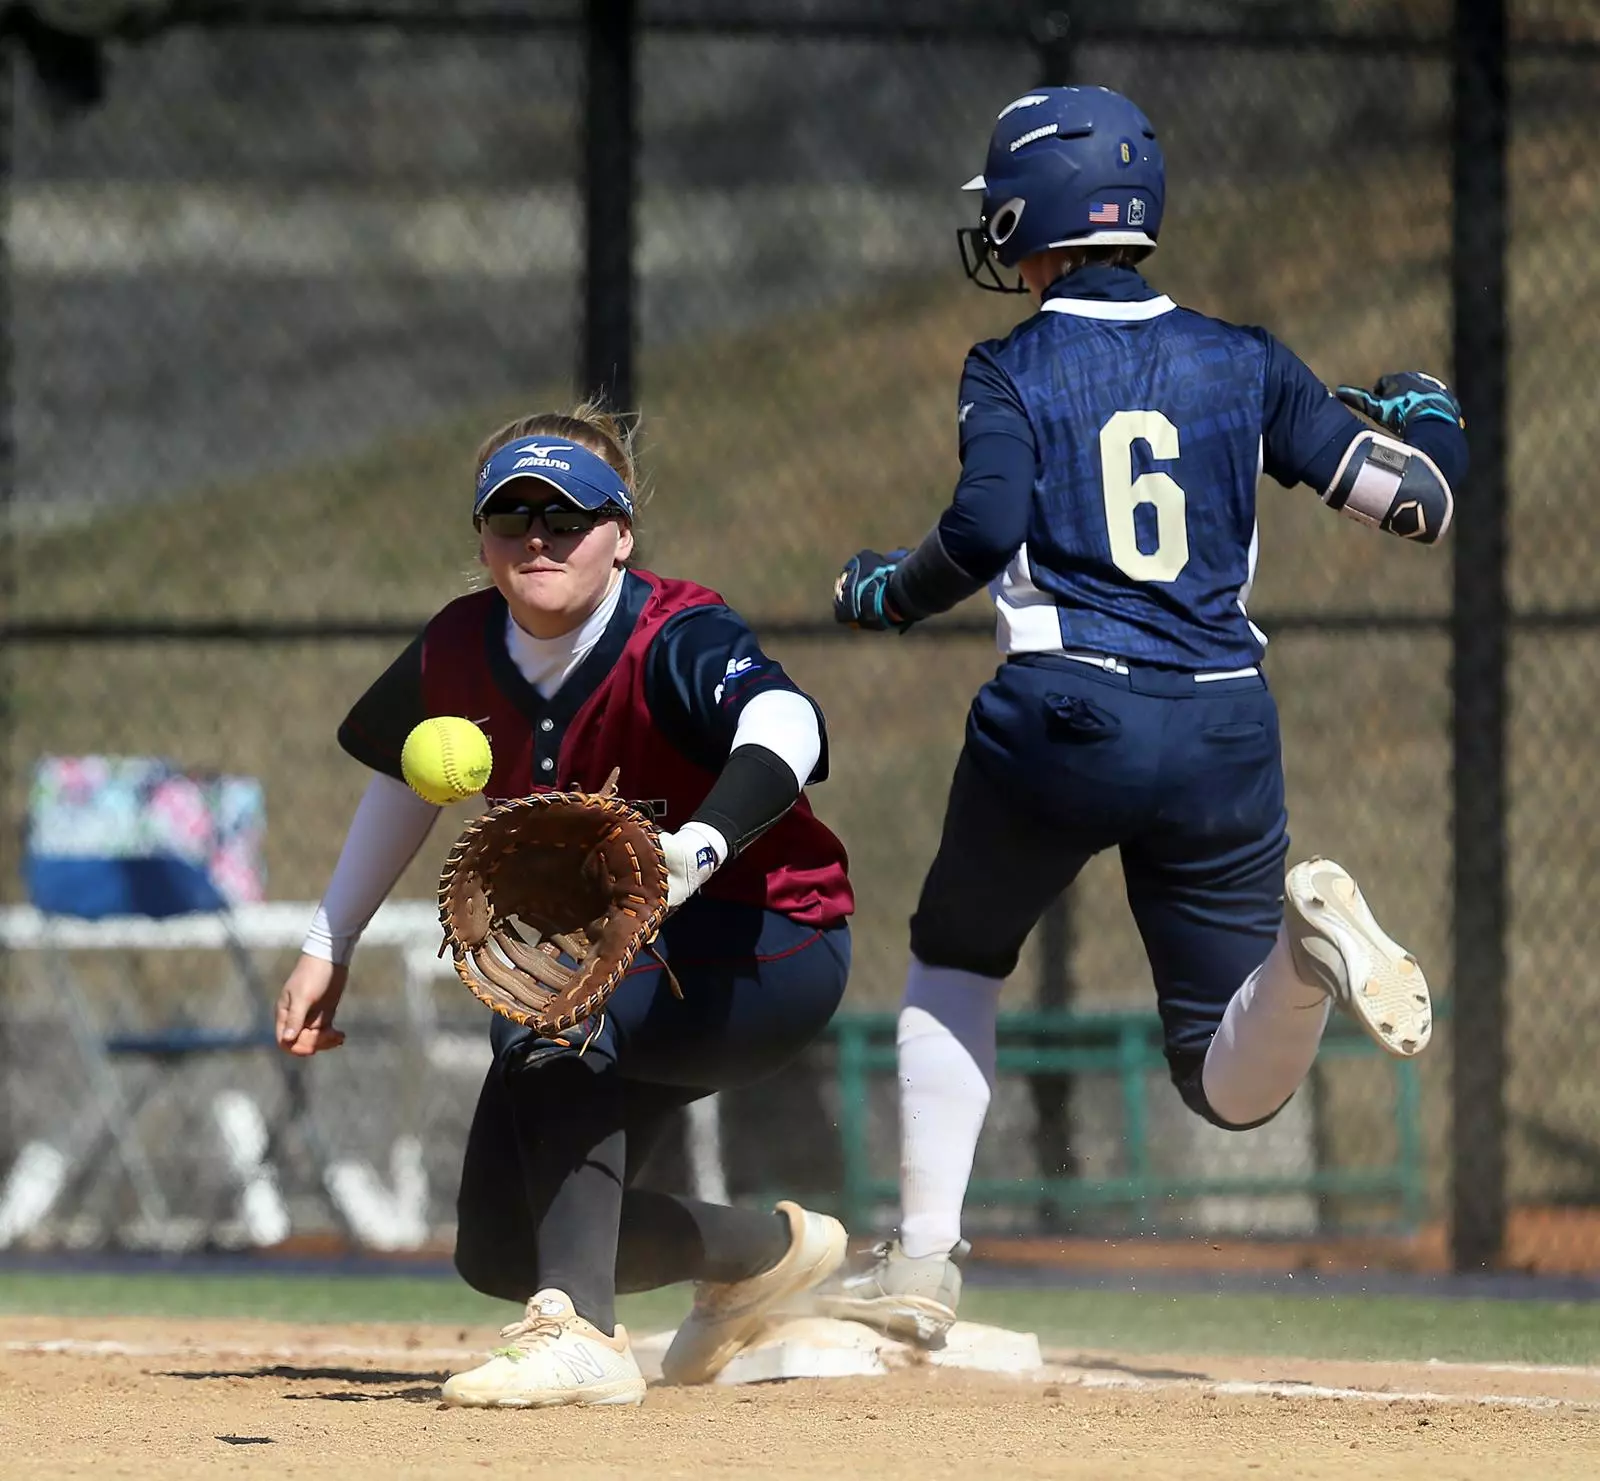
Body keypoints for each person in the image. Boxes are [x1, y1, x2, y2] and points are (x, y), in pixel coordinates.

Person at [826, 86, 1467, 1346]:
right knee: (1224, 1087)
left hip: (1064, 710)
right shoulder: (1247, 360)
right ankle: (1306, 952)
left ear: (1032, 214)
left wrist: (888, 593)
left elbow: (984, 527)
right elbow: (1418, 504)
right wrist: (1430, 414)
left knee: (956, 950)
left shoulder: (1009, 363)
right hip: (1225, 722)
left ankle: (925, 1258)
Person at [276, 402, 856, 1406]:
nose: (538, 536)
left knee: (552, 1003)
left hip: (769, 944)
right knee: (503, 1242)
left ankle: (583, 1334)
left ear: (621, 533)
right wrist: (331, 938)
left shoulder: (673, 632)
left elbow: (786, 721)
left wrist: (696, 848)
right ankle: (766, 1249)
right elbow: (407, 781)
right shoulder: (459, 647)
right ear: (483, 538)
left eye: (567, 514)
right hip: (617, 961)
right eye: (513, 516)